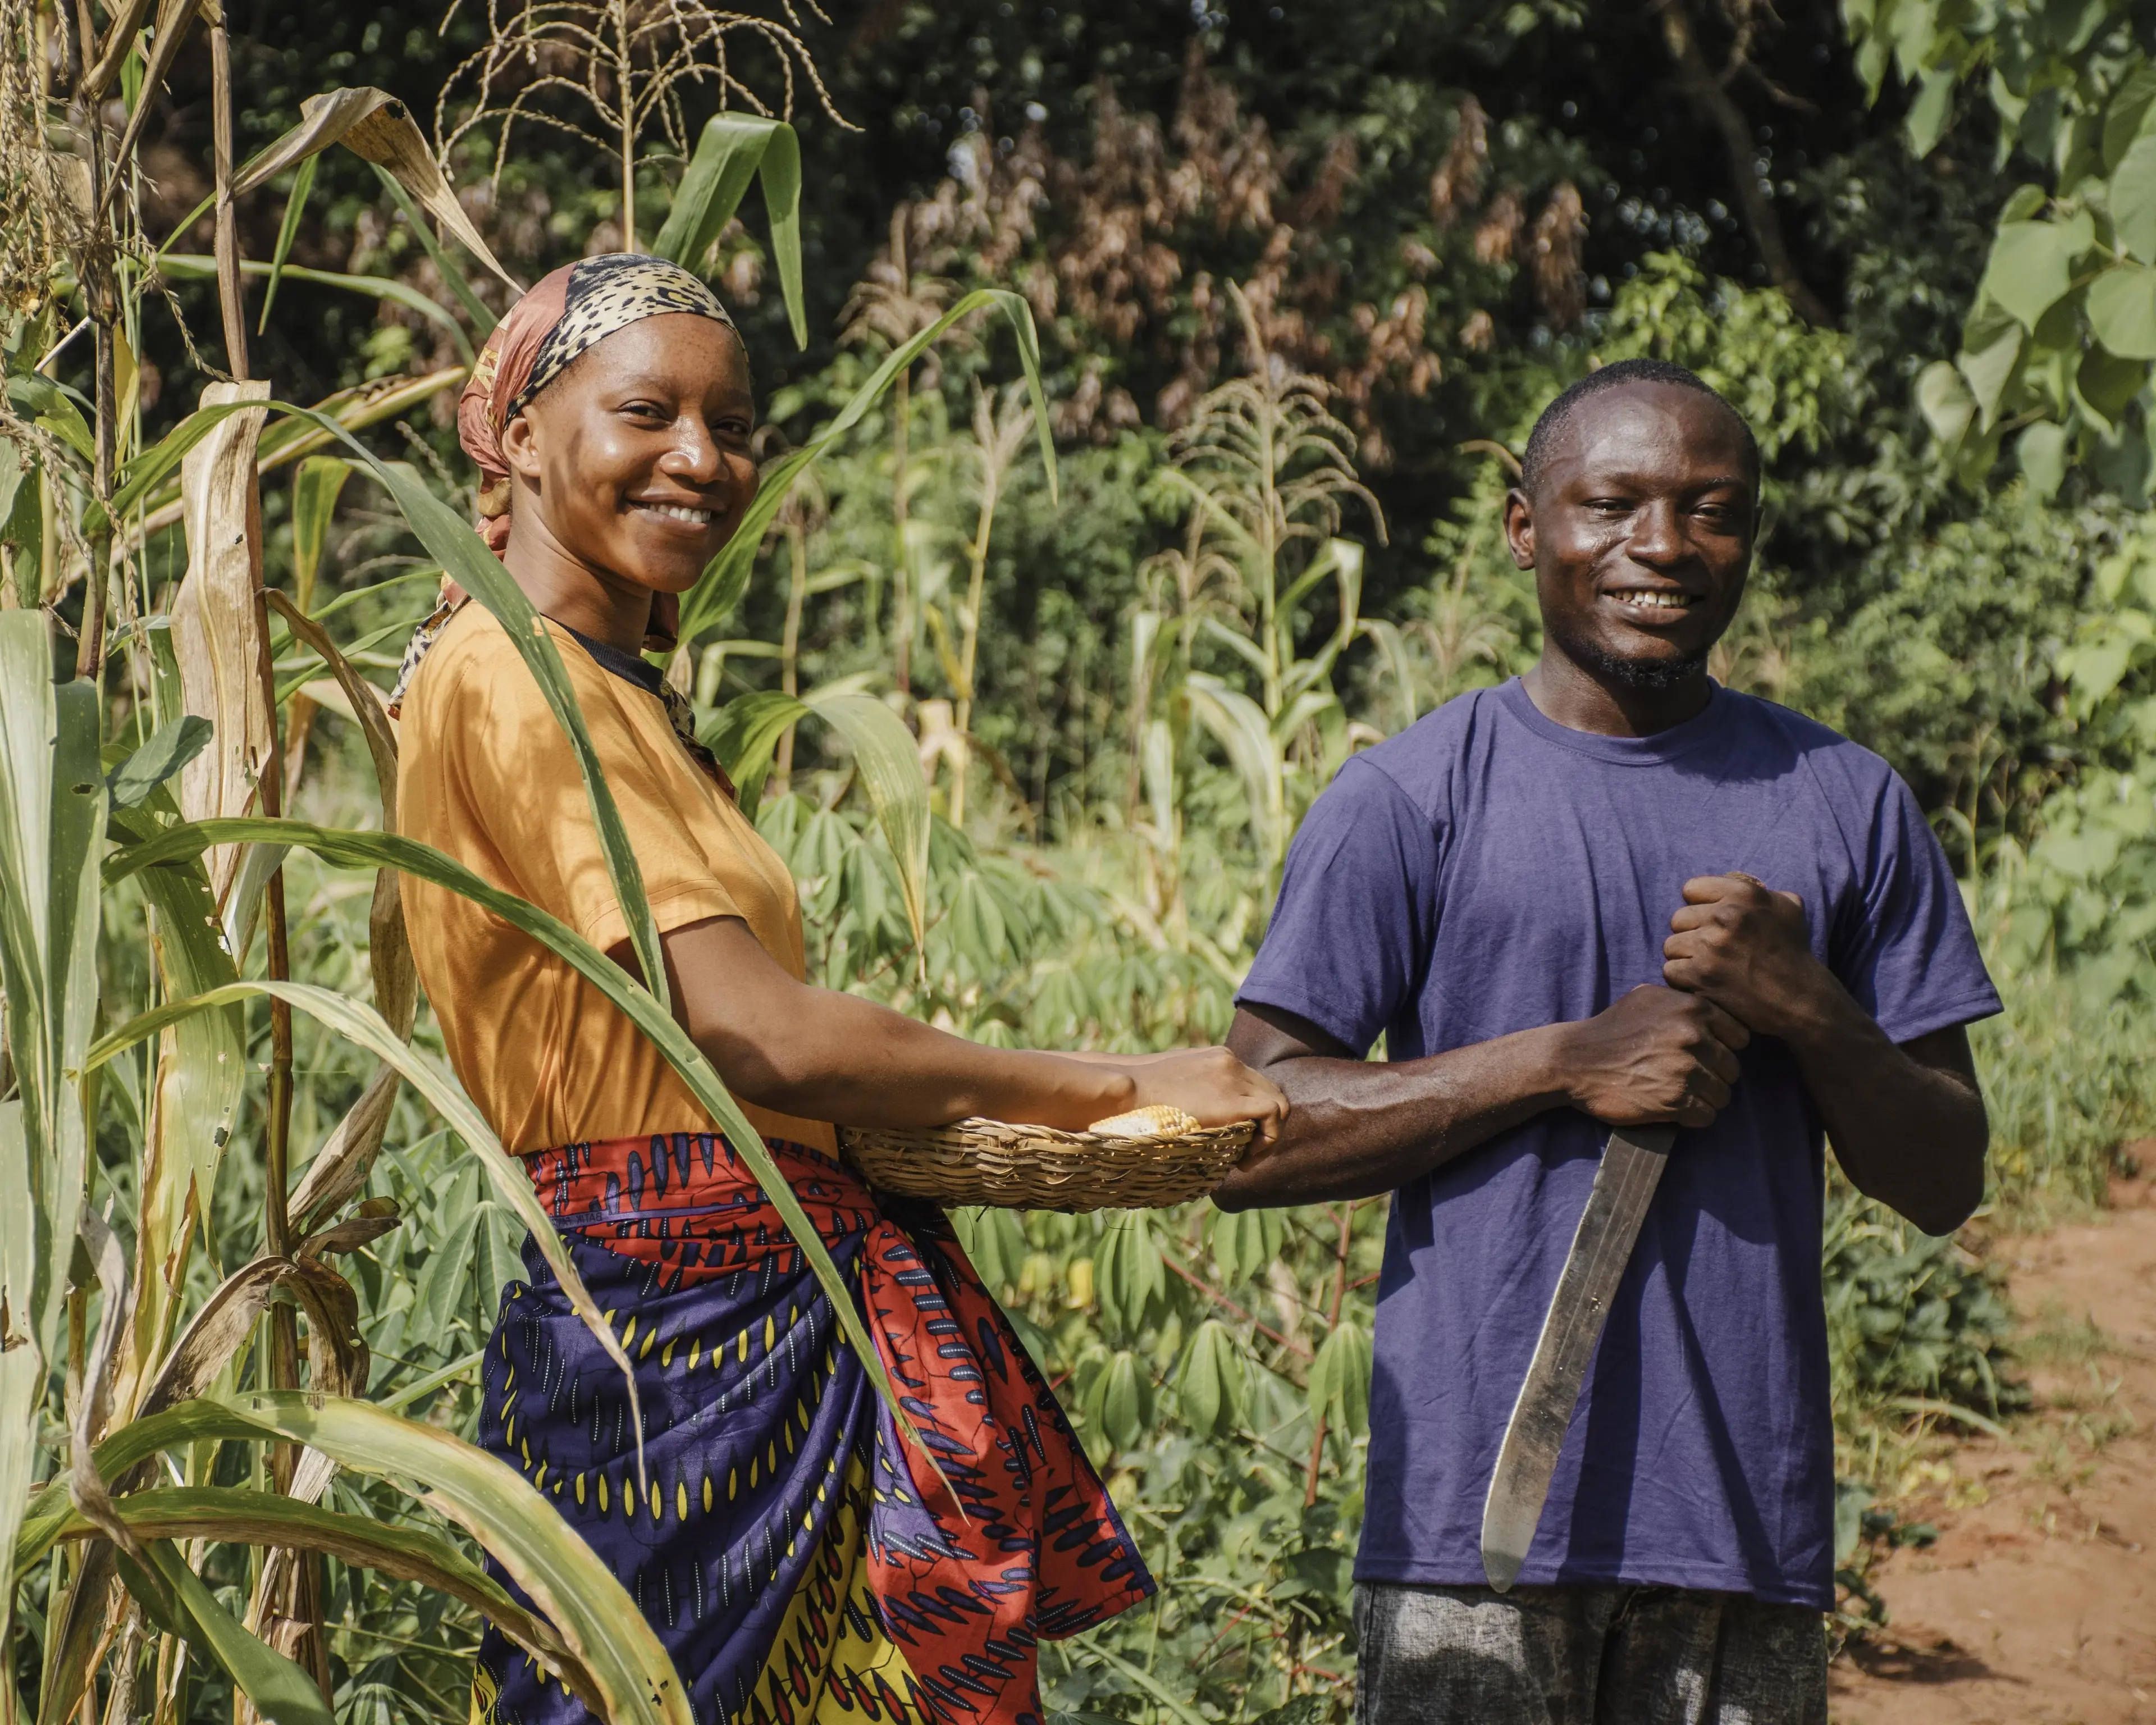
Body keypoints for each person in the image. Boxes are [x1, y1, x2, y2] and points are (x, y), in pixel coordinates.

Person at [391, 253, 1286, 1725]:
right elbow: (757, 1036)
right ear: (523, 435)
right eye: (648, 413)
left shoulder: (608, 688)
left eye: (734, 424)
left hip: (749, 1314)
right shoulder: (511, 675)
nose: (702, 457)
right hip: (670, 1339)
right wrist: (1120, 1085)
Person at [1215, 357, 1999, 1724]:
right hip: (1473, 1537)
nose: (1665, 545)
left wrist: (1808, 1005)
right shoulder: (1411, 798)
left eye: (1713, 511)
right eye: (1614, 504)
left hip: (1741, 1531)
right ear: (1527, 530)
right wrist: (1562, 1063)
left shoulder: (1848, 803)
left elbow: (1945, 1178)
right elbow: (1247, 1137)